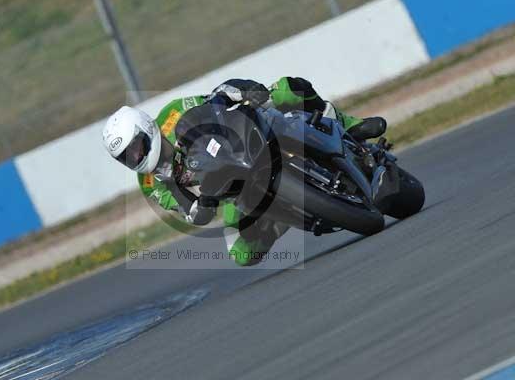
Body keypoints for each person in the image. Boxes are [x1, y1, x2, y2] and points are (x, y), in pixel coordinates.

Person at [102, 77, 386, 266]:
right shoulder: (151, 183)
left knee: (287, 88)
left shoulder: (172, 114)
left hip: (240, 140)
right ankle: (287, 218)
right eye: (127, 157)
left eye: (136, 148)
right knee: (242, 254)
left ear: (147, 129)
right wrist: (204, 204)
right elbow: (192, 213)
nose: (136, 157)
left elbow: (214, 102)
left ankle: (347, 123)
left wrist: (240, 89)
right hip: (231, 190)